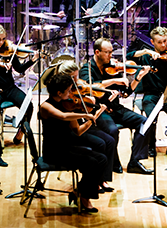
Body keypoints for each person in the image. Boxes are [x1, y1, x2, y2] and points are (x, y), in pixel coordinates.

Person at [79, 38, 153, 175]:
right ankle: (113, 162)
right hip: (100, 110)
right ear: (97, 52)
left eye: (111, 52)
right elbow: (89, 87)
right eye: (107, 52)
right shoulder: (86, 69)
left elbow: (125, 93)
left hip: (116, 109)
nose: (111, 56)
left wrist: (137, 78)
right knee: (112, 131)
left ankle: (134, 162)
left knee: (145, 122)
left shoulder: (111, 67)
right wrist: (113, 81)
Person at [40, 74, 107, 213]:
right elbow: (62, 117)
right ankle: (84, 197)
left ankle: (80, 192)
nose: (72, 93)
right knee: (91, 162)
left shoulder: (67, 105)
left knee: (101, 159)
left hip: (67, 147)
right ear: (59, 93)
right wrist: (84, 115)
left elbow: (78, 131)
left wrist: (93, 118)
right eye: (69, 90)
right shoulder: (45, 106)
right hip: (54, 151)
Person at [127, 27, 167, 160]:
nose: (163, 45)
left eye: (165, 41)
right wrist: (145, 51)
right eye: (159, 42)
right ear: (152, 42)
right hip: (151, 95)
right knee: (151, 118)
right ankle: (151, 145)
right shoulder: (145, 57)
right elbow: (128, 57)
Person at [56, 61, 116, 193]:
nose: (77, 81)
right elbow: (71, 117)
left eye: (77, 77)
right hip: (72, 130)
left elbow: (90, 91)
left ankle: (102, 179)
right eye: (73, 78)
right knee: (100, 144)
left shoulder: (77, 87)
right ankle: (92, 181)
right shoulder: (61, 93)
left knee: (110, 141)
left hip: (83, 123)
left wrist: (90, 100)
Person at [0, 25, 40, 167]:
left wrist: (33, 59)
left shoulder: (8, 51)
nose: (1, 43)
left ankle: (21, 132)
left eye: (3, 39)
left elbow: (19, 69)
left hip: (9, 89)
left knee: (28, 105)